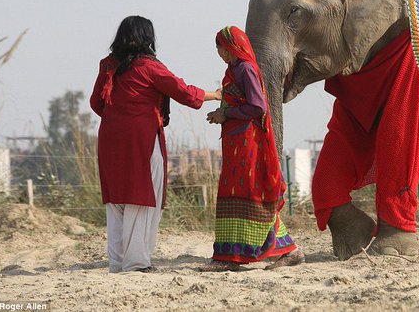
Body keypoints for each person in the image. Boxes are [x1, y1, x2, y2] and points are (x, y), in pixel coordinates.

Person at [90, 15, 218, 273]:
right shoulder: (149, 67)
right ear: (148, 38)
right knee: (142, 196)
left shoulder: (107, 65)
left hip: (110, 138)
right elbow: (183, 92)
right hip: (142, 138)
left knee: (116, 201)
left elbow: (96, 103)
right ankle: (136, 262)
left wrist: (120, 118)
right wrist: (215, 95)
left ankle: (117, 262)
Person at [199, 25, 304, 271]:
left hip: (248, 143)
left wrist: (226, 114)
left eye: (221, 48)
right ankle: (285, 250)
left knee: (250, 194)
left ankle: (229, 258)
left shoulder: (245, 69)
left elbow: (258, 107)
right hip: (236, 142)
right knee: (241, 195)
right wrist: (222, 115)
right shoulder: (234, 70)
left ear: (232, 47)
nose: (219, 53)